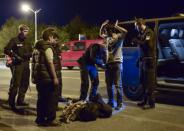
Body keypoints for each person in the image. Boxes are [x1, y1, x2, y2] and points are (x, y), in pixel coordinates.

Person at [32, 27, 61, 126]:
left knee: (41, 99)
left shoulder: (37, 47)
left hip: (40, 78)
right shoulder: (47, 47)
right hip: (47, 78)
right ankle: (50, 119)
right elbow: (50, 63)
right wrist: (55, 78)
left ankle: (40, 119)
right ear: (49, 37)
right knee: (50, 99)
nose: (54, 40)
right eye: (53, 37)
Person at [100, 20, 127, 110]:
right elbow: (101, 34)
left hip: (117, 63)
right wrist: (102, 25)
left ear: (112, 31)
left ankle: (119, 104)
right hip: (109, 64)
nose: (107, 32)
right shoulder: (107, 38)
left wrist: (116, 26)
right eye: (107, 31)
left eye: (108, 30)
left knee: (118, 85)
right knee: (109, 85)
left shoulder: (119, 36)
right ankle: (111, 102)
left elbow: (125, 32)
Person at [4, 24, 32, 110]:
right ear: (20, 31)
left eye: (27, 31)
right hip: (18, 64)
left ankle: (20, 100)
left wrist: (29, 54)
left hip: (26, 64)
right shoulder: (14, 40)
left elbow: (31, 51)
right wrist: (15, 56)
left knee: (25, 83)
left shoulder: (27, 41)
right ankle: (11, 102)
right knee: (16, 84)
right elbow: (6, 49)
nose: (25, 33)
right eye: (24, 31)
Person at [132, 18, 156, 109]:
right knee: (143, 83)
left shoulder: (149, 32)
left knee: (150, 84)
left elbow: (149, 45)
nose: (136, 28)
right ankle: (144, 101)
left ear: (139, 25)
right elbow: (142, 49)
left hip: (149, 61)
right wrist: (139, 60)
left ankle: (151, 104)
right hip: (143, 61)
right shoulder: (142, 33)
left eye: (136, 26)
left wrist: (137, 41)